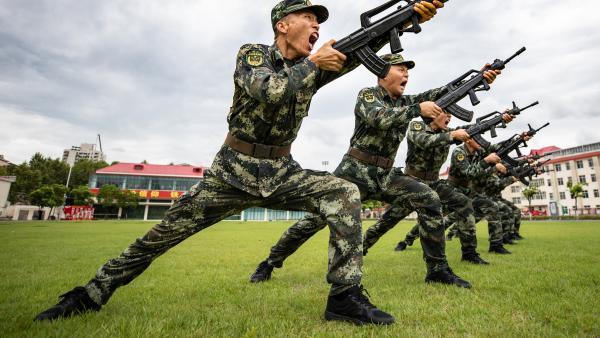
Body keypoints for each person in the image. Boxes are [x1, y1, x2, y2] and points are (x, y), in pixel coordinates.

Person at [34, 0, 445, 326]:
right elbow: (268, 90)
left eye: (319, 22)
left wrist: (404, 21)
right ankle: (88, 295)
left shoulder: (313, 67)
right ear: (283, 24)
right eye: (308, 17)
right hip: (232, 171)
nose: (316, 25)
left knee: (343, 191)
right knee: (158, 238)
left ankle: (344, 298)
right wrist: (313, 63)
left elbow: (353, 53)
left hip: (283, 171)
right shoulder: (253, 55)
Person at [248, 50, 491, 291]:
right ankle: (270, 261)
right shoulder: (368, 95)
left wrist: (477, 79)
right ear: (382, 73)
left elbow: (440, 94)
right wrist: (418, 109)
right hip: (354, 172)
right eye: (401, 68)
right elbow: (379, 118)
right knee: (314, 221)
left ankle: (437, 270)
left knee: (428, 198)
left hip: (386, 175)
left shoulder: (405, 102)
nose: (406, 73)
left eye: (407, 70)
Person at [363, 107, 512, 264]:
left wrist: (500, 120)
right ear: (434, 115)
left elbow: (472, 130)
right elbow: (425, 141)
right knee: (387, 221)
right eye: (446, 115)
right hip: (411, 183)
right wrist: (452, 135)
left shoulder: (448, 132)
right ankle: (360, 249)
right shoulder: (417, 127)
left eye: (450, 116)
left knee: (464, 203)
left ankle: (469, 253)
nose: (449, 118)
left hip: (434, 183)